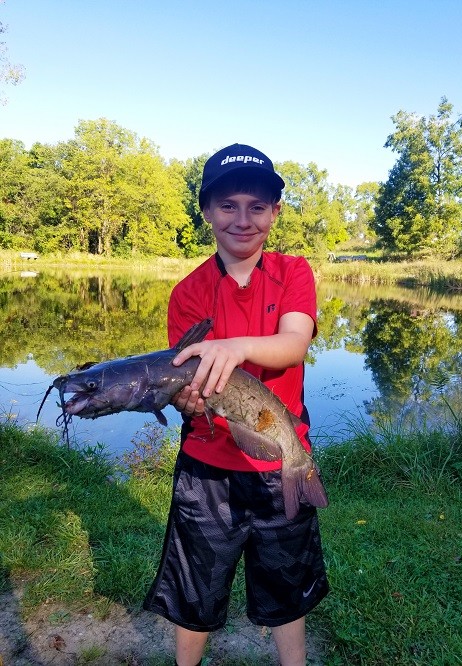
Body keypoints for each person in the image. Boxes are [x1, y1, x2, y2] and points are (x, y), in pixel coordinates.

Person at [143, 143, 329, 666]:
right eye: (227, 206)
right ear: (206, 212)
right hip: (207, 471)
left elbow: (294, 343)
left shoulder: (294, 272)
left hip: (280, 457)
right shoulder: (189, 293)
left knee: (286, 585)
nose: (242, 219)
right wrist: (185, 399)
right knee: (194, 586)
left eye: (257, 206)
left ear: (275, 212)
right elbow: (185, 392)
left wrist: (236, 347)